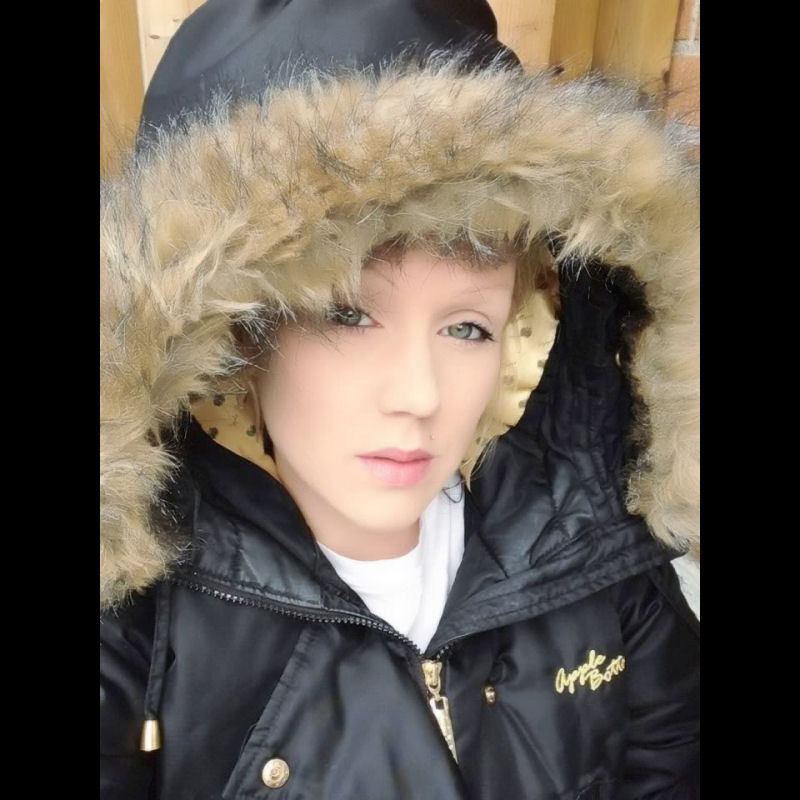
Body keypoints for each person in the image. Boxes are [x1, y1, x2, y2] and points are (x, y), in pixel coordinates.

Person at [100, 1, 700, 798]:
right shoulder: (136, 623)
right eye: (347, 315)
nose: (420, 395)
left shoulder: (597, 548)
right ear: (230, 333)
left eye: (467, 328)